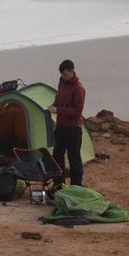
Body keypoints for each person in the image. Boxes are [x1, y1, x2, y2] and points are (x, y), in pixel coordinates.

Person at [48, 59, 86, 187]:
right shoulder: (62, 83)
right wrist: (54, 105)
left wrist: (58, 110)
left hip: (73, 128)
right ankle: (59, 183)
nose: (63, 76)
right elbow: (59, 97)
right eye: (61, 74)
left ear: (71, 71)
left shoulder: (79, 88)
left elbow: (77, 110)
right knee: (57, 154)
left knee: (73, 157)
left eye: (65, 74)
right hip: (61, 126)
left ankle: (77, 186)